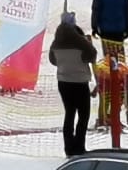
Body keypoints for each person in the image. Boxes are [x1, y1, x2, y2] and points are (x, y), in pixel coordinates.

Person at [48, 12, 97, 155]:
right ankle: (79, 146)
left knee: (69, 114)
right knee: (84, 115)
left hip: (63, 82)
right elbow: (92, 55)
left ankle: (69, 148)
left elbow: (52, 60)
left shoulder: (56, 41)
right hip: (80, 81)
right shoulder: (79, 40)